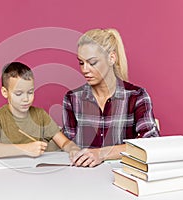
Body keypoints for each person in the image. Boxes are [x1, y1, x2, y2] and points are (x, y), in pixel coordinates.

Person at [62, 28, 160, 167]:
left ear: (111, 58)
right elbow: (67, 145)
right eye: (81, 63)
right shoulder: (72, 99)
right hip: (82, 177)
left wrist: (101, 154)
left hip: (123, 176)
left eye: (92, 62)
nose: (85, 69)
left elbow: (151, 143)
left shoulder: (136, 96)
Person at [0, 62, 80, 159]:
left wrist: (73, 149)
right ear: (5, 92)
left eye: (30, 92)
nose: (26, 99)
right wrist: (25, 149)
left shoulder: (41, 115)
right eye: (19, 94)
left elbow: (64, 143)